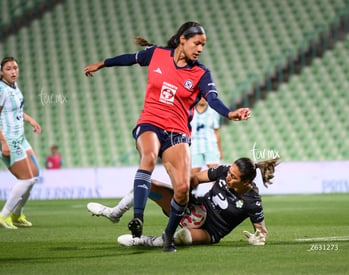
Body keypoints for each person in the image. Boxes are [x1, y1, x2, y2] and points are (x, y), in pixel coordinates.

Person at [83, 21, 251, 252]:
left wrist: (230, 113)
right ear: (183, 39)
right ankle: (138, 219)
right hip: (150, 122)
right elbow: (130, 58)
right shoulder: (157, 55)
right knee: (149, 157)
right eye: (197, 43)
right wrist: (101, 64)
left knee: (182, 189)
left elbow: (212, 99)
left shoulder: (201, 73)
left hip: (178, 132)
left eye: (203, 44)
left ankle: (168, 236)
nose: (200, 48)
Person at [87, 157, 280, 248]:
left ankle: (142, 241)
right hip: (194, 209)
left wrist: (258, 238)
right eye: (229, 174)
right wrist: (181, 186)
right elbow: (196, 178)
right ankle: (114, 213)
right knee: (150, 185)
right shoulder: (224, 171)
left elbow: (262, 231)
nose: (228, 177)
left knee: (183, 237)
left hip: (209, 231)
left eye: (234, 177)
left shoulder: (252, 201)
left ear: (246, 182)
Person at [0, 57, 42, 229]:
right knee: (26, 179)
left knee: (34, 176)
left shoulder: (14, 87)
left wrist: (30, 119)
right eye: (9, 69)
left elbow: (16, 111)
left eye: (15, 68)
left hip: (20, 138)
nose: (13, 71)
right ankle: (3, 215)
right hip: (8, 139)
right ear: (1, 71)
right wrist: (3, 142)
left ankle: (17, 215)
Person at [190, 97, 223, 175]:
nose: (203, 98)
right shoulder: (190, 110)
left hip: (210, 145)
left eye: (205, 96)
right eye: (201, 96)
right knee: (193, 177)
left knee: (215, 174)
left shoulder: (213, 111)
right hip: (194, 146)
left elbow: (216, 131)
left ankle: (216, 187)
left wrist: (220, 150)